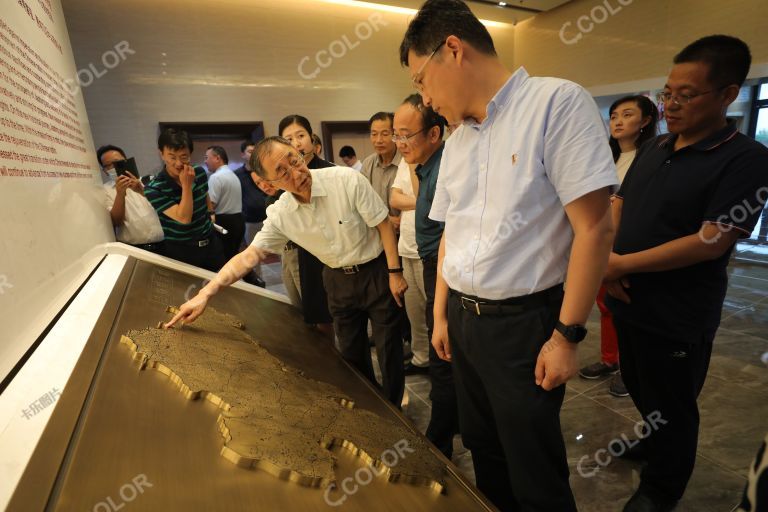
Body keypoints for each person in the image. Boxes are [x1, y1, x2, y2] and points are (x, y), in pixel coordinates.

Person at [400, 1, 618, 510]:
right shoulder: (458, 142)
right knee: (484, 449)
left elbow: (595, 227)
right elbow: (452, 229)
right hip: (463, 318)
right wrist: (440, 314)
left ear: (452, 50)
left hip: (523, 323)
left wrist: (567, 335)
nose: (425, 97)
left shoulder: (555, 104)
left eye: (422, 79)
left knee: (532, 462)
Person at [605, 35, 768, 512]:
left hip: (677, 312)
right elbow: (619, 204)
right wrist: (606, 266)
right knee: (638, 385)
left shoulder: (748, 160)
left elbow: (712, 239)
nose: (670, 105)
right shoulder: (656, 147)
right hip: (625, 296)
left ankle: (662, 488)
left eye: (685, 95)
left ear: (728, 94)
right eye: (667, 93)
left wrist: (619, 265)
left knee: (673, 406)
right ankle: (652, 441)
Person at [166, 136, 409, 407]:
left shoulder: (344, 180)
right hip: (337, 279)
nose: (296, 173)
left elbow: (383, 225)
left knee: (389, 350)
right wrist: (205, 294)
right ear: (269, 184)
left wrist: (394, 272)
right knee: (351, 355)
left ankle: (396, 407)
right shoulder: (281, 214)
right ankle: (375, 412)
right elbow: (248, 257)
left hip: (375, 271)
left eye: (294, 161)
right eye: (282, 172)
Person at [392, 93, 461, 460]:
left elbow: (452, 228)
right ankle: (451, 423)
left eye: (406, 135)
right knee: (441, 349)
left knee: (443, 352)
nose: (399, 144)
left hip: (446, 266)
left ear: (434, 133)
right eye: (396, 135)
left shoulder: (449, 162)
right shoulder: (424, 164)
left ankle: (441, 436)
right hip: (431, 257)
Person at [579, 95, 658, 397]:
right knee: (605, 305)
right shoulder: (606, 157)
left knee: (630, 310)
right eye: (613, 116)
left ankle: (631, 368)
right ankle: (609, 359)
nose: (618, 121)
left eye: (627, 115)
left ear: (646, 121)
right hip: (602, 242)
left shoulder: (650, 158)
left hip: (631, 246)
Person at [279, 115, 335, 337]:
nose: (297, 142)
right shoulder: (284, 178)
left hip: (332, 251)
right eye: (289, 139)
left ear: (312, 139)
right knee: (313, 316)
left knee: (337, 319)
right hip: (302, 251)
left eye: (301, 136)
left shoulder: (331, 172)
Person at [145, 129, 225, 272]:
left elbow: (204, 192)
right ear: (161, 154)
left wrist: (211, 212)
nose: (178, 163)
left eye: (184, 157)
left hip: (211, 243)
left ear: (190, 154)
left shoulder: (199, 172)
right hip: (181, 251)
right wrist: (186, 186)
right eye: (172, 157)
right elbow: (184, 218)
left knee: (221, 286)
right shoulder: (154, 188)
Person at [97, 144, 164, 254]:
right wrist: (120, 194)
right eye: (108, 166)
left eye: (117, 162)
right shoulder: (105, 190)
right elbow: (116, 222)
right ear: (104, 171)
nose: (113, 167)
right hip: (132, 249)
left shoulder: (150, 181)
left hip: (163, 246)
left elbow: (165, 208)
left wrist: (142, 190)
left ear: (126, 161)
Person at [233, 140, 268, 287]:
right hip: (250, 221)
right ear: (242, 155)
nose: (253, 154)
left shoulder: (263, 171)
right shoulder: (237, 175)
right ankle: (258, 283)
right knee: (254, 255)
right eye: (249, 151)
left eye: (255, 151)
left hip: (268, 219)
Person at [360, 112, 401, 230]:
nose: (378, 140)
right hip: (376, 233)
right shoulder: (368, 164)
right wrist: (385, 221)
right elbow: (363, 201)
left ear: (395, 135)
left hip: (404, 233)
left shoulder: (407, 161)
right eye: (374, 134)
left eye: (384, 134)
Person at [205, 146, 245, 261]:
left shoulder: (216, 177)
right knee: (233, 258)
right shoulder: (233, 175)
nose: (205, 161)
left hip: (224, 223)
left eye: (207, 157)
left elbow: (211, 205)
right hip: (238, 221)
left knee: (223, 261)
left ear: (217, 158)